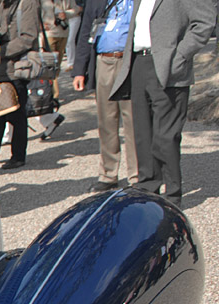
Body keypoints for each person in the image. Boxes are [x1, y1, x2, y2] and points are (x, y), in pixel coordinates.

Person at [109, 0, 216, 207]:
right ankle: (148, 188)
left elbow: (205, 22)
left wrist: (180, 55)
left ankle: (172, 195)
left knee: (166, 136)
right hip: (139, 63)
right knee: (142, 132)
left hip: (169, 67)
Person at [72, 0, 137, 192]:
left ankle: (137, 175)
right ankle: (108, 174)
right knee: (106, 120)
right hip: (104, 61)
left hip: (130, 61)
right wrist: (79, 71)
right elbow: (85, 32)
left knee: (133, 120)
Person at [0, 0, 41, 169]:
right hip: (1, 67)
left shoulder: (27, 3)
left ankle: (18, 155)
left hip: (17, 67)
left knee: (17, 113)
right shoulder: (3, 4)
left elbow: (28, 38)